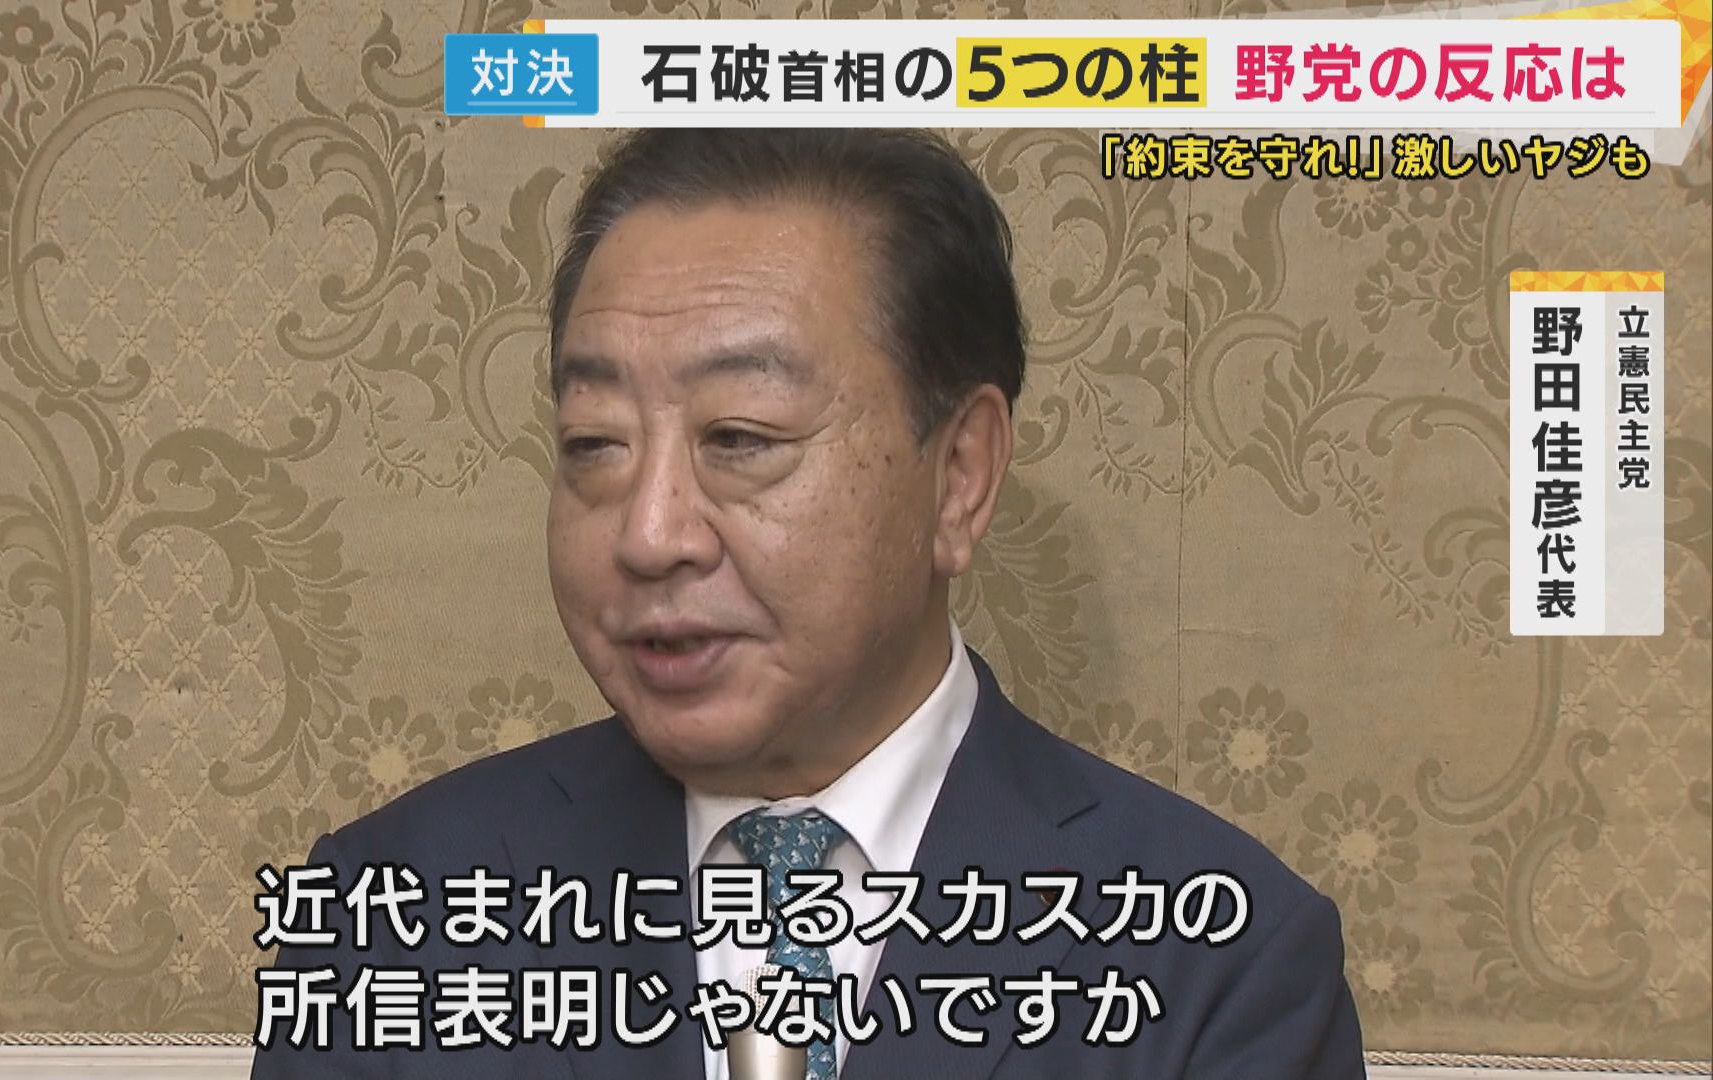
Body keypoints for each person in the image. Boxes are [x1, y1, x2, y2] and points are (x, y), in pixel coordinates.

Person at [250, 128, 1367, 1080]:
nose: (649, 534)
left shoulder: (1220, 962)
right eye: (595, 443)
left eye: (741, 438)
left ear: (960, 476)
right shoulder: (391, 918)